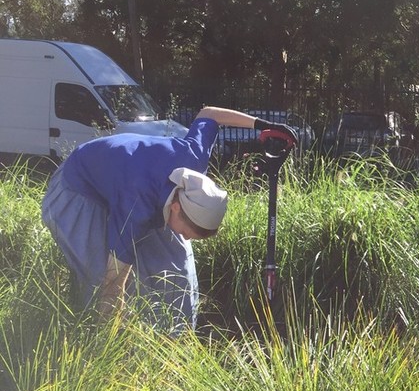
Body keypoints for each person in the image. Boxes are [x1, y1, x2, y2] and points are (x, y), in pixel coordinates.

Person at [41, 105, 298, 332]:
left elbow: (209, 114)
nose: (186, 237)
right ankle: (99, 342)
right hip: (80, 188)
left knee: (178, 271)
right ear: (176, 208)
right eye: (188, 233)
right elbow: (113, 282)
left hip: (132, 181)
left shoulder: (193, 164)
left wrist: (263, 125)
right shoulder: (136, 210)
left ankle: (176, 339)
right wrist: (115, 327)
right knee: (101, 277)